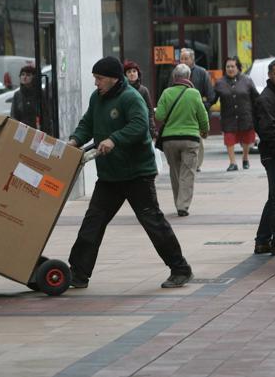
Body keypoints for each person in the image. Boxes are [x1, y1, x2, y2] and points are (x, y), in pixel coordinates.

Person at [67, 56, 194, 289]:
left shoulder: (130, 97)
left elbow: (139, 126)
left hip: (137, 174)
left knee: (152, 222)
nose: (96, 83)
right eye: (95, 78)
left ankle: (180, 269)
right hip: (109, 176)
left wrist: (114, 139)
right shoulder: (97, 98)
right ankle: (78, 273)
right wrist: (75, 141)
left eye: (99, 79)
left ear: (114, 79)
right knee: (92, 222)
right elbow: (88, 123)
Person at [156, 64, 209, 217]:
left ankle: (177, 202)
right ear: (188, 78)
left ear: (174, 77)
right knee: (188, 172)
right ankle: (183, 205)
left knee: (175, 172)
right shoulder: (194, 94)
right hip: (190, 139)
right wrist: (204, 130)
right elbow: (203, 116)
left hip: (169, 140)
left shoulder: (166, 93)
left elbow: (159, 115)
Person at [254, 59, 275, 256]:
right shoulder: (266, 99)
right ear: (269, 75)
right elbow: (269, 130)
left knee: (274, 196)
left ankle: (262, 240)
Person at [212, 56, 259, 171]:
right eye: (228, 66)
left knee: (247, 140)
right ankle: (233, 163)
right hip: (228, 117)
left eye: (233, 66)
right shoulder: (220, 83)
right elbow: (212, 98)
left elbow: (256, 97)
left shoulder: (247, 80)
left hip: (245, 116)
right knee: (229, 139)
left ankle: (245, 157)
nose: (230, 69)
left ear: (238, 68)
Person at [179, 48, 214, 172]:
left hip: (197, 113)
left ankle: (196, 164)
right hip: (180, 113)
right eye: (181, 58)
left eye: (185, 58)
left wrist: (203, 107)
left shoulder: (202, 72)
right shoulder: (176, 73)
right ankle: (185, 162)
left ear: (192, 59)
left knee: (197, 140)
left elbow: (211, 95)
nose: (183, 61)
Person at [124, 60, 157, 139]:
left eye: (134, 71)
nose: (132, 74)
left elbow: (150, 109)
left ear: (138, 74)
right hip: (126, 126)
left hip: (142, 125)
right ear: (125, 75)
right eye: (129, 72)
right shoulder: (122, 90)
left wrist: (151, 125)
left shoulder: (143, 90)